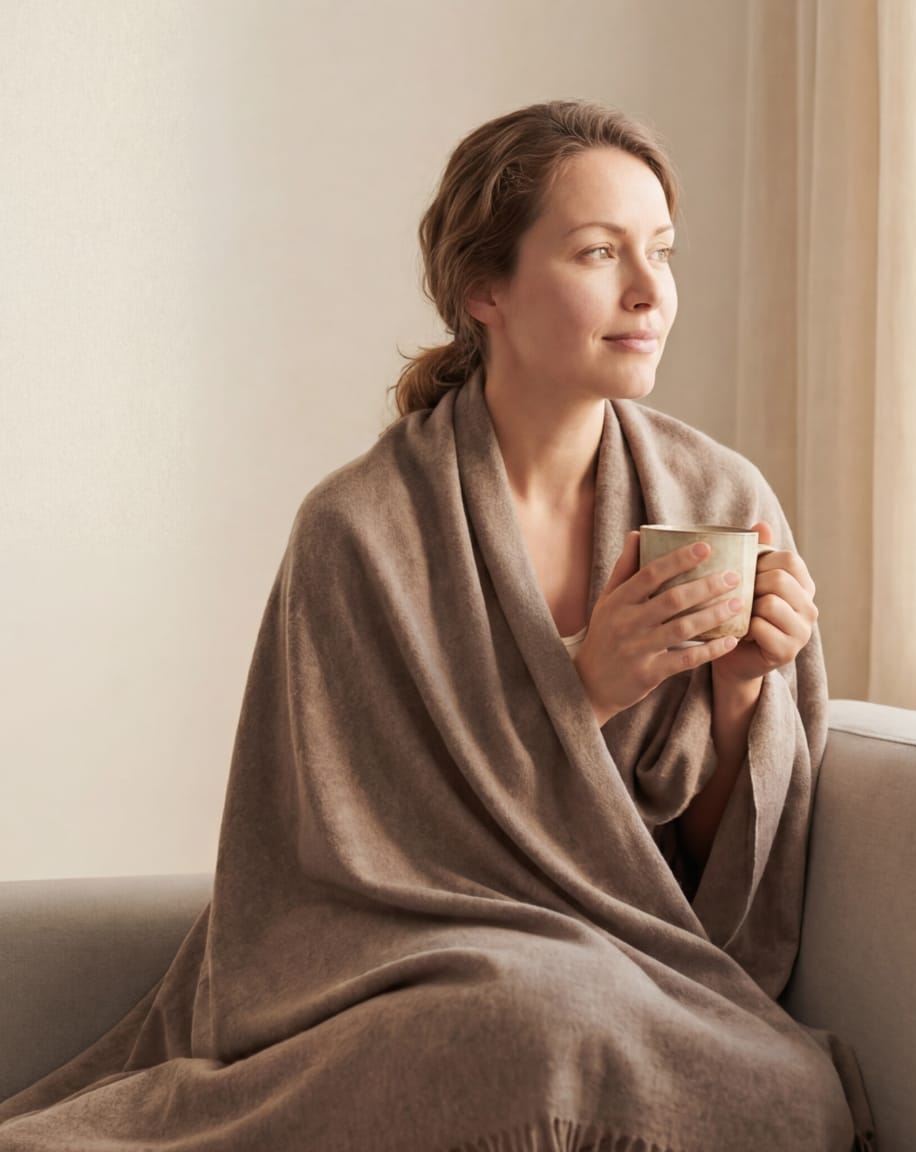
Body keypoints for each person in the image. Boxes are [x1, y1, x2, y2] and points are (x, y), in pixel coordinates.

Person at [0, 100, 872, 1151]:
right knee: (524, 1022)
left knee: (789, 1090)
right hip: (401, 973)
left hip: (638, 965)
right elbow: (337, 856)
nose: (649, 293)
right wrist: (581, 688)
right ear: (482, 289)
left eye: (662, 253)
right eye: (600, 253)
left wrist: (743, 691)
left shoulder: (718, 497)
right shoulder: (358, 530)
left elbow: (708, 884)